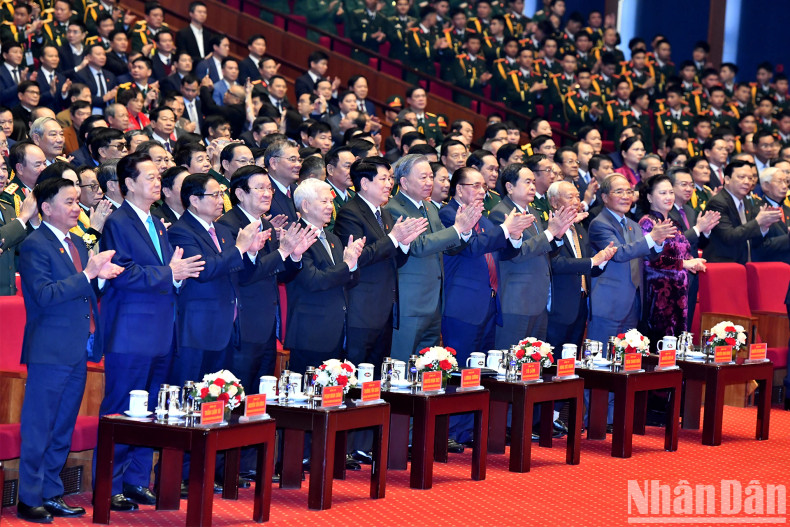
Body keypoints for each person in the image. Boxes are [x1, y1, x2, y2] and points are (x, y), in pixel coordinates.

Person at [96, 152, 204, 511]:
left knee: (151, 409)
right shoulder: (118, 222)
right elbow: (122, 272)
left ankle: (137, 480)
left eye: (160, 177)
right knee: (121, 408)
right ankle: (108, 485)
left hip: (161, 330)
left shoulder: (158, 222)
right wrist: (169, 274)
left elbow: (166, 272)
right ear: (128, 183)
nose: (158, 182)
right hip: (130, 331)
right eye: (151, 177)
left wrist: (176, 274)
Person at [16, 178, 123, 524]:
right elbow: (45, 294)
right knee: (40, 427)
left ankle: (51, 492)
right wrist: (88, 273)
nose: (78, 208)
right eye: (69, 202)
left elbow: (82, 293)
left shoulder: (75, 242)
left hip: (77, 348)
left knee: (62, 426)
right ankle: (28, 499)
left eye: (78, 201)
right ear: (46, 208)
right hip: (49, 350)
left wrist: (101, 278)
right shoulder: (35, 245)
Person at [167, 172, 271, 391]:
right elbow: (202, 270)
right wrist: (240, 248)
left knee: (219, 398)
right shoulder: (181, 231)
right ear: (194, 200)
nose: (221, 200)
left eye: (222, 194)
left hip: (227, 328)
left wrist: (250, 254)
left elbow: (241, 275)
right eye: (214, 195)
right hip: (197, 330)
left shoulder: (222, 230)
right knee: (192, 395)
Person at [332, 157, 427, 367]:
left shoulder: (384, 214)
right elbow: (358, 258)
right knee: (356, 373)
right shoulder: (350, 213)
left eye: (390, 178)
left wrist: (403, 244)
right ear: (364, 183)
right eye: (383, 179)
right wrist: (393, 238)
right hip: (361, 309)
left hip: (385, 308)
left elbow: (393, 260)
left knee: (377, 379)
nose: (389, 184)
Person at [385, 153, 480, 359]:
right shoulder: (393, 208)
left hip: (434, 301)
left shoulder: (429, 207)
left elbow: (445, 246)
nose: (430, 182)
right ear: (403, 181)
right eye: (423, 177)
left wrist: (463, 233)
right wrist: (456, 228)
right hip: (410, 303)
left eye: (431, 177)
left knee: (426, 365)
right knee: (402, 363)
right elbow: (418, 246)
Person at [488, 158, 576, 348]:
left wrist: (557, 236)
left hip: (538, 300)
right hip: (516, 301)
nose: (532, 186)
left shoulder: (534, 212)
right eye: (527, 182)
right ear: (510, 187)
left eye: (533, 182)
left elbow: (543, 251)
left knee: (534, 363)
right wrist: (550, 233)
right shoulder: (501, 214)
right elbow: (517, 253)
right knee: (511, 360)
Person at [587, 174, 677, 346]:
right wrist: (651, 237)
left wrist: (658, 243)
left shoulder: (632, 224)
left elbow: (648, 255)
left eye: (629, 191)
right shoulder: (600, 224)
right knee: (602, 361)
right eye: (619, 191)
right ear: (605, 197)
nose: (626, 196)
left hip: (633, 305)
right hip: (609, 304)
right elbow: (619, 253)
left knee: (626, 361)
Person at [286, 177, 364, 373]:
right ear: (305, 205)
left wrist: (353, 265)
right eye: (324, 201)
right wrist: (346, 266)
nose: (331, 206)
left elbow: (350, 280)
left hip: (338, 330)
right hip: (311, 332)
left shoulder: (332, 238)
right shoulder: (296, 235)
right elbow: (313, 280)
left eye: (331, 201)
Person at [636, 174, 707, 345]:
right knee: (659, 344)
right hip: (659, 293)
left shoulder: (674, 222)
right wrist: (684, 264)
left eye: (670, 192)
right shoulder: (648, 222)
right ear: (650, 197)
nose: (668, 197)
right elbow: (652, 259)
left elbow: (682, 251)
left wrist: (693, 262)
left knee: (676, 344)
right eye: (662, 193)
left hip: (679, 292)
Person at [546, 180, 616, 349]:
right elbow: (555, 263)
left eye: (578, 196)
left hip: (581, 305)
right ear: (554, 202)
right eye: (570, 197)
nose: (577, 201)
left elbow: (588, 265)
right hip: (559, 306)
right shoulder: (549, 229)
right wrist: (593, 261)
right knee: (553, 359)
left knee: (571, 361)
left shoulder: (579, 228)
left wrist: (602, 260)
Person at [702, 159, 783, 264]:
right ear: (727, 179)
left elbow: (750, 238)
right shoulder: (718, 203)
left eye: (750, 178)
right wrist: (757, 222)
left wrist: (763, 227)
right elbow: (729, 237)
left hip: (744, 263)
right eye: (741, 177)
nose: (747, 182)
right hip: (722, 265)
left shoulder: (746, 202)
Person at [0, 159, 36, 295]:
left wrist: (33, 221)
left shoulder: (7, 209)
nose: (2, 174)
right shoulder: (17, 213)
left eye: (4, 168)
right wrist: (24, 216)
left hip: (9, 296)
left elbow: (25, 247)